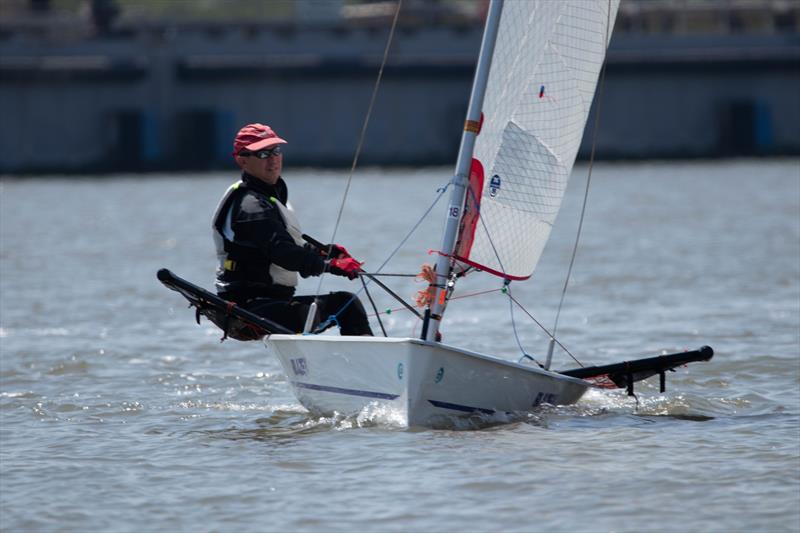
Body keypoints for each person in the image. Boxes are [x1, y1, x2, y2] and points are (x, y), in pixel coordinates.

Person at [212, 123, 373, 336]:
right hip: (250, 309)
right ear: (242, 160)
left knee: (344, 303)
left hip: (270, 304)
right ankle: (361, 367)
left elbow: (290, 245)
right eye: (262, 153)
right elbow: (283, 253)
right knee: (339, 308)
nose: (273, 159)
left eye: (276, 151)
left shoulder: (267, 198)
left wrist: (325, 252)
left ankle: (347, 366)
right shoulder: (251, 207)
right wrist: (330, 265)